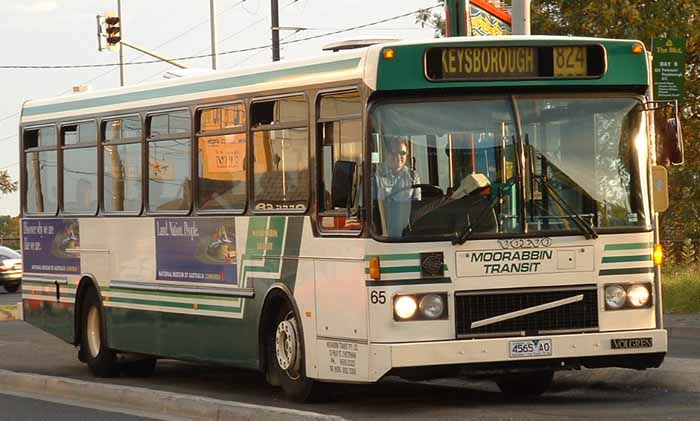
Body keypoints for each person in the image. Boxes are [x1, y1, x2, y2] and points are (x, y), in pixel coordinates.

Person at [375, 138, 421, 237]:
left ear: (407, 155)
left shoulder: (413, 177)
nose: (398, 156)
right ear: (386, 154)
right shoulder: (376, 175)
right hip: (380, 234)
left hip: (407, 232)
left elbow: (417, 206)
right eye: (393, 152)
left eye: (402, 153)